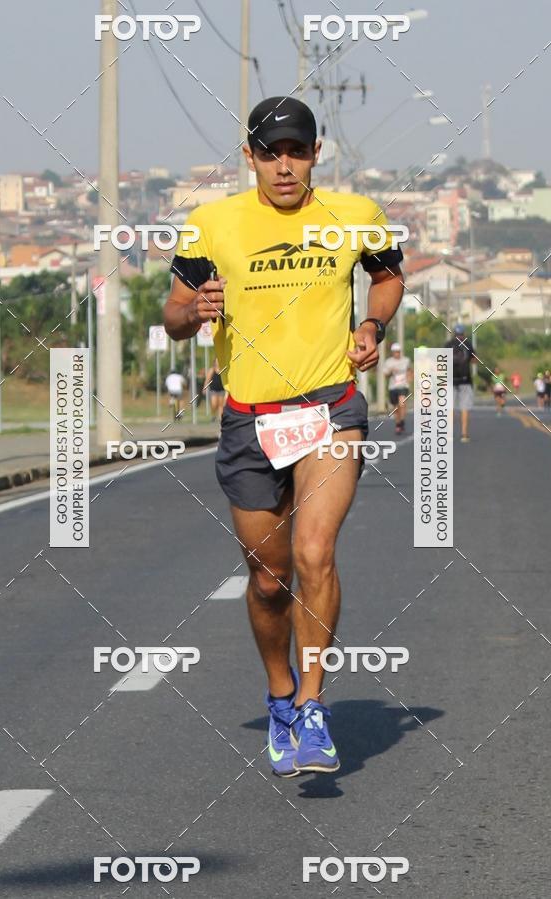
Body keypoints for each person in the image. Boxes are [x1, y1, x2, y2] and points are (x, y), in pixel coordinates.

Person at [164, 96, 404, 777]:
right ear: (250, 158)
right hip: (250, 417)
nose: (285, 166)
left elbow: (388, 276)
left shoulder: (353, 215)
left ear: (316, 153)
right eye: (271, 154)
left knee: (314, 551)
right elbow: (174, 313)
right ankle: (280, 694)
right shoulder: (212, 224)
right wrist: (195, 309)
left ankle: (313, 704)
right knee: (270, 580)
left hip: (330, 406)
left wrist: (372, 325)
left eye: (297, 151)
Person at [446, 323, 476, 443]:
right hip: (465, 380)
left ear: (454, 333)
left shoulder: (448, 345)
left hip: (450, 379)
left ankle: (449, 434)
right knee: (464, 407)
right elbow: (474, 360)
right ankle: (464, 434)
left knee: (450, 408)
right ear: (464, 333)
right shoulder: (468, 344)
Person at [382, 342, 412, 434]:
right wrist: (391, 371)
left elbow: (410, 371)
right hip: (393, 387)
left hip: (403, 386)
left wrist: (409, 379)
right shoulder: (389, 362)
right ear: (392, 352)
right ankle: (398, 424)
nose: (397, 353)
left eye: (398, 351)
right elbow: (385, 375)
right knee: (395, 407)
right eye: (395, 352)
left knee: (402, 403)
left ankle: (402, 421)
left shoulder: (406, 360)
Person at [203, 358, 227, 423]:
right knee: (214, 404)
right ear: (214, 362)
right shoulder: (212, 370)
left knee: (221, 405)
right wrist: (205, 388)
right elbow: (207, 379)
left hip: (221, 389)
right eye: (216, 361)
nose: (218, 362)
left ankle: (220, 417)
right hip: (213, 389)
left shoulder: (223, 369)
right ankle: (213, 415)